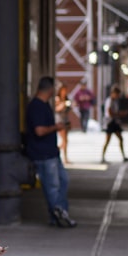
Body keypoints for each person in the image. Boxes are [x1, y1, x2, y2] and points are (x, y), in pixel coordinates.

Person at [25, 76, 76, 227]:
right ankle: (58, 214)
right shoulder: (37, 106)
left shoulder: (45, 105)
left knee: (63, 181)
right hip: (43, 154)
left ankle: (59, 212)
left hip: (51, 152)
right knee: (52, 185)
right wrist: (57, 127)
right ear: (50, 89)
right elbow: (39, 131)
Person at [100, 85, 128, 163]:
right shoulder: (109, 101)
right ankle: (102, 157)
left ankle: (123, 156)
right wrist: (119, 114)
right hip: (110, 122)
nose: (118, 96)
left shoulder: (114, 101)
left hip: (114, 122)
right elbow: (110, 113)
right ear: (113, 93)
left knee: (120, 138)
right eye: (117, 94)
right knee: (108, 140)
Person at [55, 84, 73, 164]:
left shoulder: (66, 99)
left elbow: (68, 110)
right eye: (63, 90)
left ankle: (65, 157)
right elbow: (56, 109)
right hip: (60, 121)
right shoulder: (57, 99)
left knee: (66, 140)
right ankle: (57, 151)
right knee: (64, 140)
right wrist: (63, 105)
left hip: (65, 120)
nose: (65, 92)